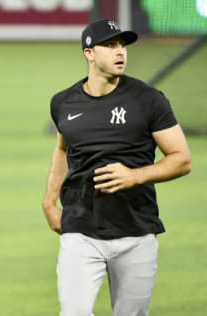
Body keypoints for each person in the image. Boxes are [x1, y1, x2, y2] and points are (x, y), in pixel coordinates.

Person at [42, 18, 192, 316]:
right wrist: (49, 200)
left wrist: (136, 175)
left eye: (122, 45)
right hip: (80, 230)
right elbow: (62, 148)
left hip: (135, 231)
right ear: (89, 53)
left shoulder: (149, 100)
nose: (120, 52)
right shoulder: (64, 103)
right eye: (110, 45)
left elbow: (182, 159)